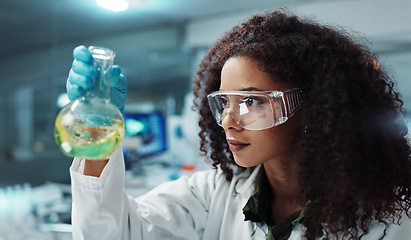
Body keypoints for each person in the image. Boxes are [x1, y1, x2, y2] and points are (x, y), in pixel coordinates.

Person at [67, 9, 411, 240]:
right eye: (224, 102)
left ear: (314, 109)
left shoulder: (390, 223)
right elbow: (111, 233)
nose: (228, 121)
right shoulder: (211, 195)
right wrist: (98, 133)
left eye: (251, 101)